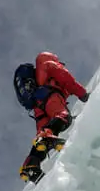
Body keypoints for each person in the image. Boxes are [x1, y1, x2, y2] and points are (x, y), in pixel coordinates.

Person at [14, 52, 89, 182]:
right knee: (64, 118)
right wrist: (83, 94)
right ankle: (46, 136)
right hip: (50, 97)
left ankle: (31, 164)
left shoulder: (37, 78)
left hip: (38, 107)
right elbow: (67, 79)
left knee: (41, 137)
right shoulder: (49, 64)